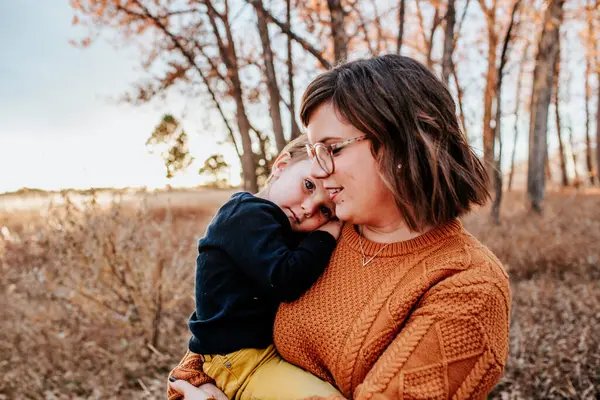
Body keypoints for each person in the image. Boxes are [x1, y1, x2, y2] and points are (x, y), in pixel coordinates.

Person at [171, 54, 511, 400]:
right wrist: (189, 384)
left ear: (401, 143)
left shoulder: (468, 286)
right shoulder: (326, 233)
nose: (318, 170)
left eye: (332, 149)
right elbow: (220, 315)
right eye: (315, 152)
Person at [167, 135, 344, 400]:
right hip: (239, 360)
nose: (309, 208)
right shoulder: (247, 214)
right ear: (281, 165)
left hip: (256, 356)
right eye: (308, 185)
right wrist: (328, 232)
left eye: (326, 211)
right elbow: (285, 278)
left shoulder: (275, 223)